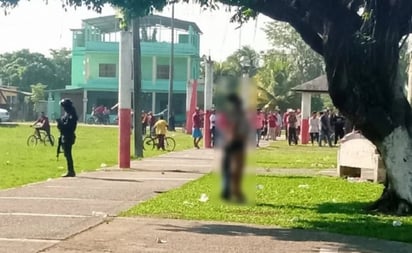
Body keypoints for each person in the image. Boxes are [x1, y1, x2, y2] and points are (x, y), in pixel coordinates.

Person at [220, 93, 248, 203]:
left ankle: (227, 190)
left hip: (228, 142)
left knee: (227, 167)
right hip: (237, 142)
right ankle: (236, 191)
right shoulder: (239, 115)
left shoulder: (227, 114)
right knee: (237, 168)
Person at [57, 98, 78, 177]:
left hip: (68, 136)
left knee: (68, 154)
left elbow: (68, 126)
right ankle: (70, 170)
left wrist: (60, 124)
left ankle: (71, 171)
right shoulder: (67, 114)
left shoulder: (71, 115)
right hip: (65, 135)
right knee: (66, 154)